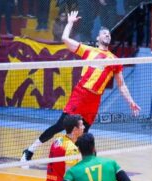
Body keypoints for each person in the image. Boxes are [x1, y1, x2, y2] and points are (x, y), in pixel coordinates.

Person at [21, 10, 141, 163]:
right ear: (98, 38)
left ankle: (88, 163)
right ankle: (30, 150)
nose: (107, 35)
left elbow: (121, 84)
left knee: (84, 134)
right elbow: (65, 38)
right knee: (60, 126)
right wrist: (70, 22)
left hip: (94, 99)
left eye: (109, 34)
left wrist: (130, 101)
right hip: (80, 94)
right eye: (104, 34)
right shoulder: (88, 50)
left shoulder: (114, 60)